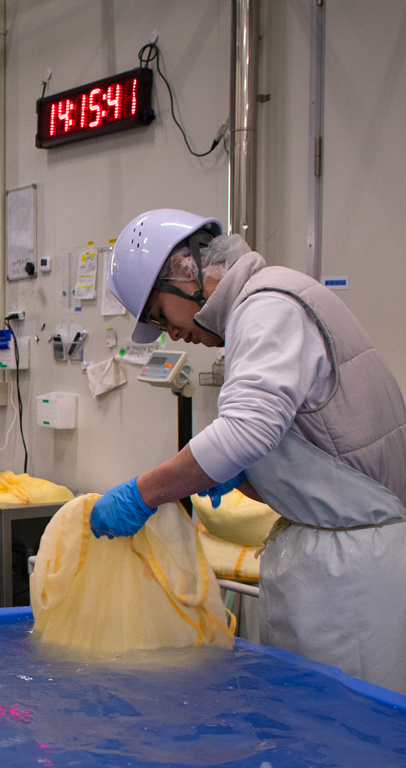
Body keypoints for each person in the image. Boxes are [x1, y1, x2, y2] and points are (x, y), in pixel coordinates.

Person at [90, 208, 406, 693]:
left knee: (344, 721)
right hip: (336, 561)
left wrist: (143, 493)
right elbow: (313, 443)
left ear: (184, 271)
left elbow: (246, 431)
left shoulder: (268, 306)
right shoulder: (268, 302)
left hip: (352, 584)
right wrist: (255, 477)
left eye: (159, 315)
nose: (171, 333)